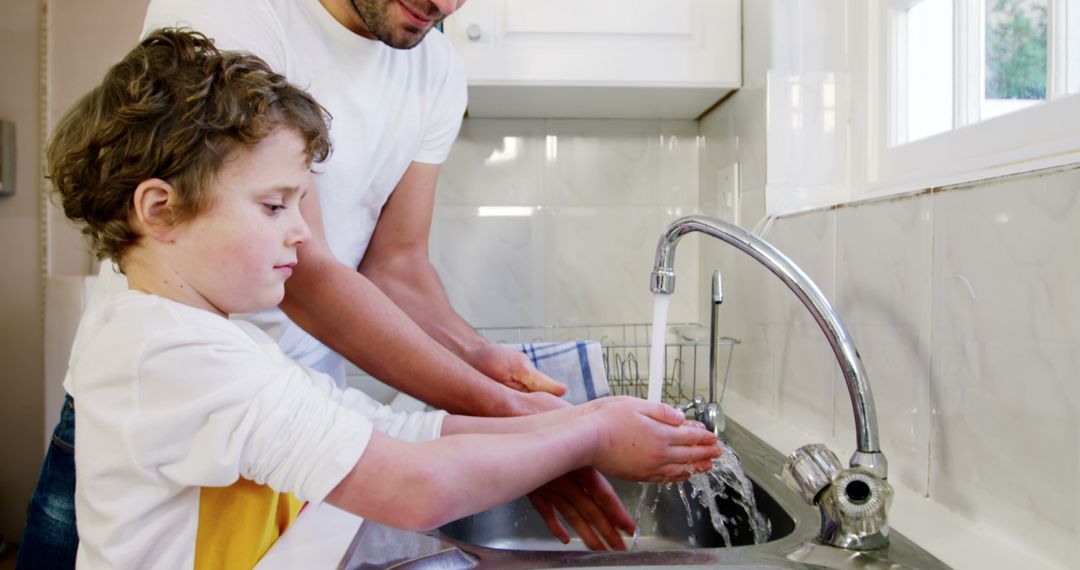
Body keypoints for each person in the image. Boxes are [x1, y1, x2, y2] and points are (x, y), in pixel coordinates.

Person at [35, 29, 722, 569]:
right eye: (275, 205)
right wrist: (588, 433)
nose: (303, 232)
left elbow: (390, 433)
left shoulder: (210, 338)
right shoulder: (168, 355)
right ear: (160, 209)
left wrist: (564, 425)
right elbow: (410, 484)